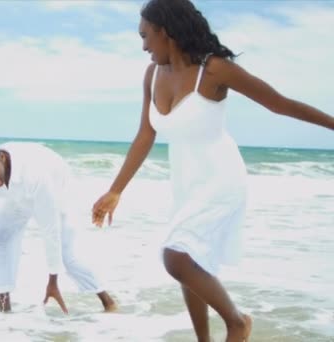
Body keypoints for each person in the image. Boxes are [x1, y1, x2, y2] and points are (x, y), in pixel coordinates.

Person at [91, 0, 334, 341]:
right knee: (190, 266)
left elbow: (280, 104)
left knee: (176, 257)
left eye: (146, 36)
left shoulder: (215, 70)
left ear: (166, 32)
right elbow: (146, 134)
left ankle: (237, 322)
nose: (143, 45)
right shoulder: (152, 74)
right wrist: (116, 190)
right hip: (186, 181)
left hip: (221, 178)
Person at [0, 140, 117, 313]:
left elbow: (50, 227)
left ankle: (109, 303)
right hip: (19, 195)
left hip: (56, 189)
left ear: (1, 158)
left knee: (66, 256)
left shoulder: (34, 174)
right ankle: (5, 313)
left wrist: (53, 280)